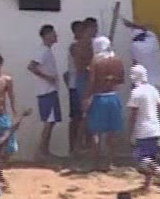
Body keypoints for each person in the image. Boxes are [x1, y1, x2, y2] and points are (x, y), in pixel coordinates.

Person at [126, 64, 160, 190]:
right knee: (151, 157)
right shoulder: (153, 90)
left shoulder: (136, 92)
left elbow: (133, 115)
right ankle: (147, 184)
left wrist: (129, 133)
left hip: (143, 130)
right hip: (155, 128)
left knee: (140, 158)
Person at [87, 35, 127, 169]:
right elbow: (121, 80)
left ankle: (95, 163)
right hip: (113, 97)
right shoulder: (117, 61)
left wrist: (87, 97)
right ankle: (110, 162)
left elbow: (92, 82)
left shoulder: (96, 61)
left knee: (96, 133)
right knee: (112, 132)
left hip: (99, 98)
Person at [29, 24, 64, 160]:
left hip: (50, 91)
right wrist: (47, 77)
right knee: (49, 122)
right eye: (53, 33)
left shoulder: (47, 51)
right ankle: (42, 151)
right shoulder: (42, 51)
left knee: (51, 121)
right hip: (46, 91)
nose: (56, 36)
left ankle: (45, 150)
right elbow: (31, 66)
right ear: (47, 35)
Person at [69, 19, 96, 155]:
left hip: (88, 79)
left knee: (91, 114)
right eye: (94, 28)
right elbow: (80, 66)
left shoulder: (92, 44)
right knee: (84, 114)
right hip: (83, 80)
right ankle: (78, 146)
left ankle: (88, 145)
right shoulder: (78, 46)